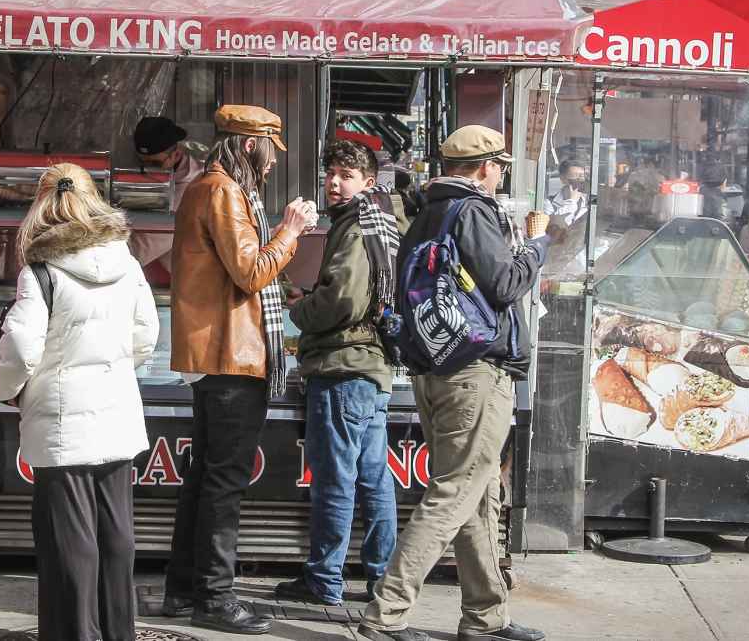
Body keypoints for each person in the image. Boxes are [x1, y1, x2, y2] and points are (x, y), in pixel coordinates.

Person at [359, 125, 548, 641]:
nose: (500, 173)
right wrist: (536, 245)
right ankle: (384, 617)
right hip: (476, 374)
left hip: (435, 370)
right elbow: (507, 283)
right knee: (453, 495)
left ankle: (486, 617)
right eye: (500, 166)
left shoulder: (425, 212)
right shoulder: (472, 211)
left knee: (478, 496)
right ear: (486, 167)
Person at [162, 104, 319, 635]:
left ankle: (182, 590)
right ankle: (214, 595)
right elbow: (251, 272)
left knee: (204, 477)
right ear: (251, 145)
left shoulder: (209, 189)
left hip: (220, 357)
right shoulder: (224, 191)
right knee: (223, 483)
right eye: (271, 151)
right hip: (232, 357)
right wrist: (291, 231)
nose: (274, 165)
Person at [0, 164, 159, 641]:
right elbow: (147, 334)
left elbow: (22, 350)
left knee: (70, 541)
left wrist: (8, 389)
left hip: (62, 424)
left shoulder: (40, 271)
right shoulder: (126, 261)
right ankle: (117, 632)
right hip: (117, 416)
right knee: (116, 536)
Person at [275, 139, 406, 607]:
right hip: (372, 369)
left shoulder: (355, 227)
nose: (334, 181)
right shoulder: (381, 221)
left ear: (368, 183)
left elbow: (344, 300)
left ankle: (324, 579)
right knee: (375, 481)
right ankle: (381, 580)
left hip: (343, 367)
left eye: (346, 175)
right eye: (331, 172)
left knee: (335, 479)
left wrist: (303, 310)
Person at [128, 115, 207, 270]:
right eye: (141, 163)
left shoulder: (191, 189)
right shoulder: (164, 172)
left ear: (176, 154)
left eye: (155, 164)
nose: (147, 170)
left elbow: (142, 248)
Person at [545, 160, 589, 225]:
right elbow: (555, 225)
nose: (580, 179)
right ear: (563, 179)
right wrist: (571, 202)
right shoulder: (549, 203)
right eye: (576, 175)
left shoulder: (588, 202)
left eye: (582, 176)